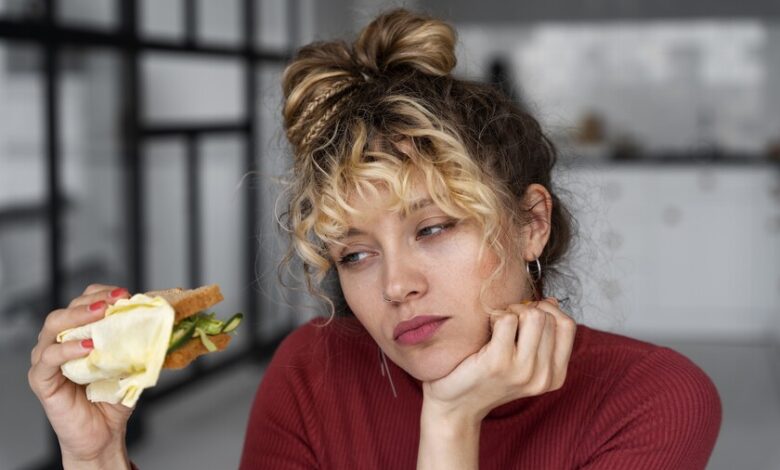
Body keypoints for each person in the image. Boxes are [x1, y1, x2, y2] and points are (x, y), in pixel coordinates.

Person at [28, 9, 722, 469]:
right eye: (355, 253)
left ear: (531, 222)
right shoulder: (314, 372)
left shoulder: (653, 401)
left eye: (434, 227)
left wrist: (451, 424)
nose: (396, 285)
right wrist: (95, 456)